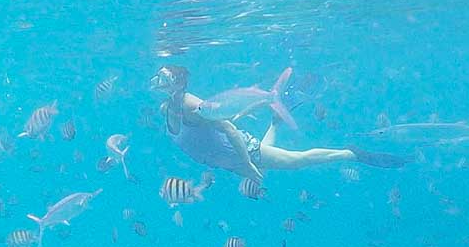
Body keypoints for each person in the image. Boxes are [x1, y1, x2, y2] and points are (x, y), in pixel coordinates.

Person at [151, 65, 404, 180]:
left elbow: (229, 128)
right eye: (159, 76)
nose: (158, 81)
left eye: (165, 77)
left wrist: (248, 165)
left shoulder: (191, 107)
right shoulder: (167, 106)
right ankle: (275, 121)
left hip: (241, 152)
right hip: (225, 159)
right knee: (271, 161)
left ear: (179, 83)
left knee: (296, 161)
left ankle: (351, 154)